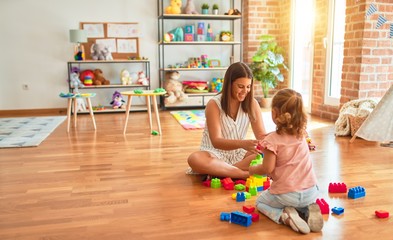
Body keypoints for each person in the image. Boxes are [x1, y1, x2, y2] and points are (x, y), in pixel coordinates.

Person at [249, 88, 323, 234]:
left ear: (274, 113)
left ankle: (284, 217)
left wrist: (253, 169)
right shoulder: (302, 135)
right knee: (299, 199)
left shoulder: (272, 141)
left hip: (287, 194)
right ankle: (308, 209)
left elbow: (267, 169)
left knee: (261, 202)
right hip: (311, 192)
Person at [187, 62, 267, 179]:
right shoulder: (214, 104)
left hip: (240, 155)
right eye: (240, 86)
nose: (245, 91)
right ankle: (243, 174)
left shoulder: (252, 104)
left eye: (248, 86)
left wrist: (282, 135)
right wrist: (243, 144)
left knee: (267, 155)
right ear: (229, 84)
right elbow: (216, 142)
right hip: (214, 153)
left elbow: (261, 136)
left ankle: (222, 172)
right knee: (194, 159)